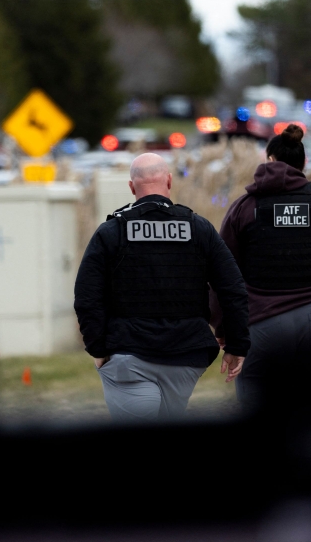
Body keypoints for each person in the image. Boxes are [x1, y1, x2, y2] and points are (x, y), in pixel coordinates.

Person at [74, 153, 250, 422]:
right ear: (169, 181)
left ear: (132, 187)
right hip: (187, 356)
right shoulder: (199, 228)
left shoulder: (112, 232)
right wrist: (237, 344)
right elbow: (232, 289)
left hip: (128, 356)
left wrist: (98, 349)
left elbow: (87, 297)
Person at [216, 124, 311, 406]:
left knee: (257, 404)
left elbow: (222, 274)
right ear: (303, 164)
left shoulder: (243, 208)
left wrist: (224, 330)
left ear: (269, 160)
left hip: (260, 322)